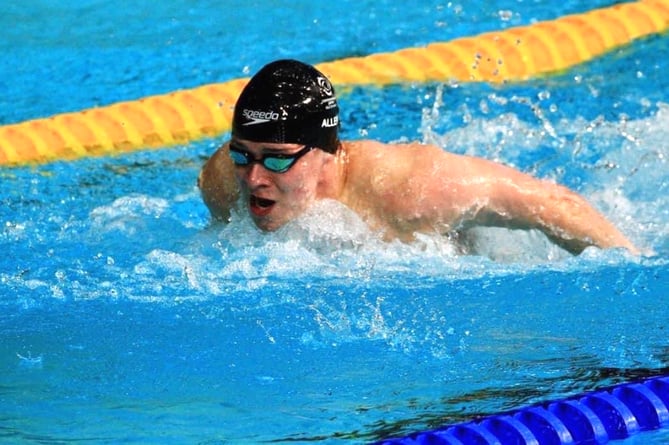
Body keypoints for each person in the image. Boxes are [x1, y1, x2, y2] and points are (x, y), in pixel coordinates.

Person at [198, 59, 639, 255]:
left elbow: (549, 203)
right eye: (243, 155)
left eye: (276, 160)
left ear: (328, 152)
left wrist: (631, 274)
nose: (253, 177)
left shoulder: (410, 191)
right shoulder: (223, 182)